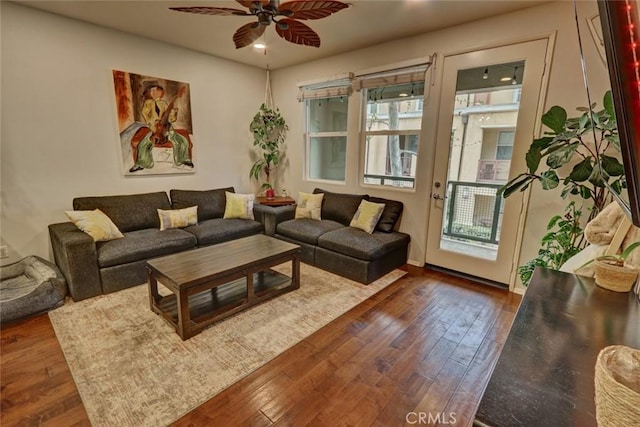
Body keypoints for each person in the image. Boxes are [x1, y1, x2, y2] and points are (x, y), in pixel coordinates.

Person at [129, 81, 194, 172]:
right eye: (152, 91)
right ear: (149, 93)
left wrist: (173, 112)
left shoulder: (163, 103)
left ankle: (184, 159)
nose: (154, 92)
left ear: (161, 92)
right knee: (144, 143)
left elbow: (170, 119)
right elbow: (147, 117)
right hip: (154, 128)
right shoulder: (147, 104)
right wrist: (154, 124)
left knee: (181, 140)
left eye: (157, 90)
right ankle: (140, 163)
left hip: (166, 128)